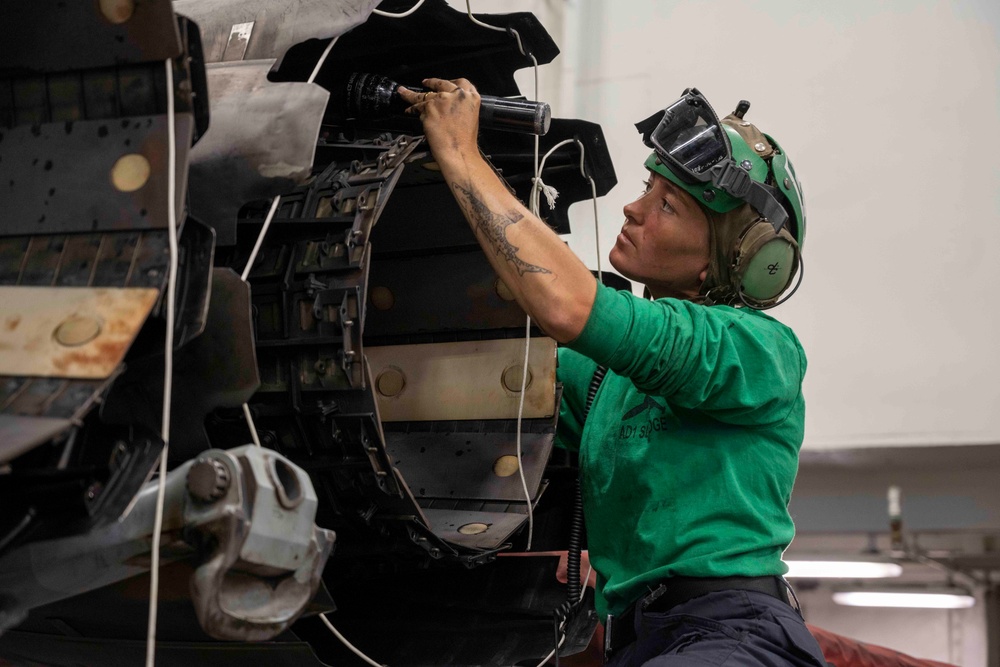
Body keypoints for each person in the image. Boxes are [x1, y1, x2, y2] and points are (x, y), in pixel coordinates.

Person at [398, 80, 827, 666]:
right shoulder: (606, 379)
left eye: (667, 205)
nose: (633, 207)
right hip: (640, 639)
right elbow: (492, 371)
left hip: (733, 635)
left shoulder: (758, 350)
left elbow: (570, 308)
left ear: (729, 262)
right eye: (648, 187)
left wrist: (461, 153)